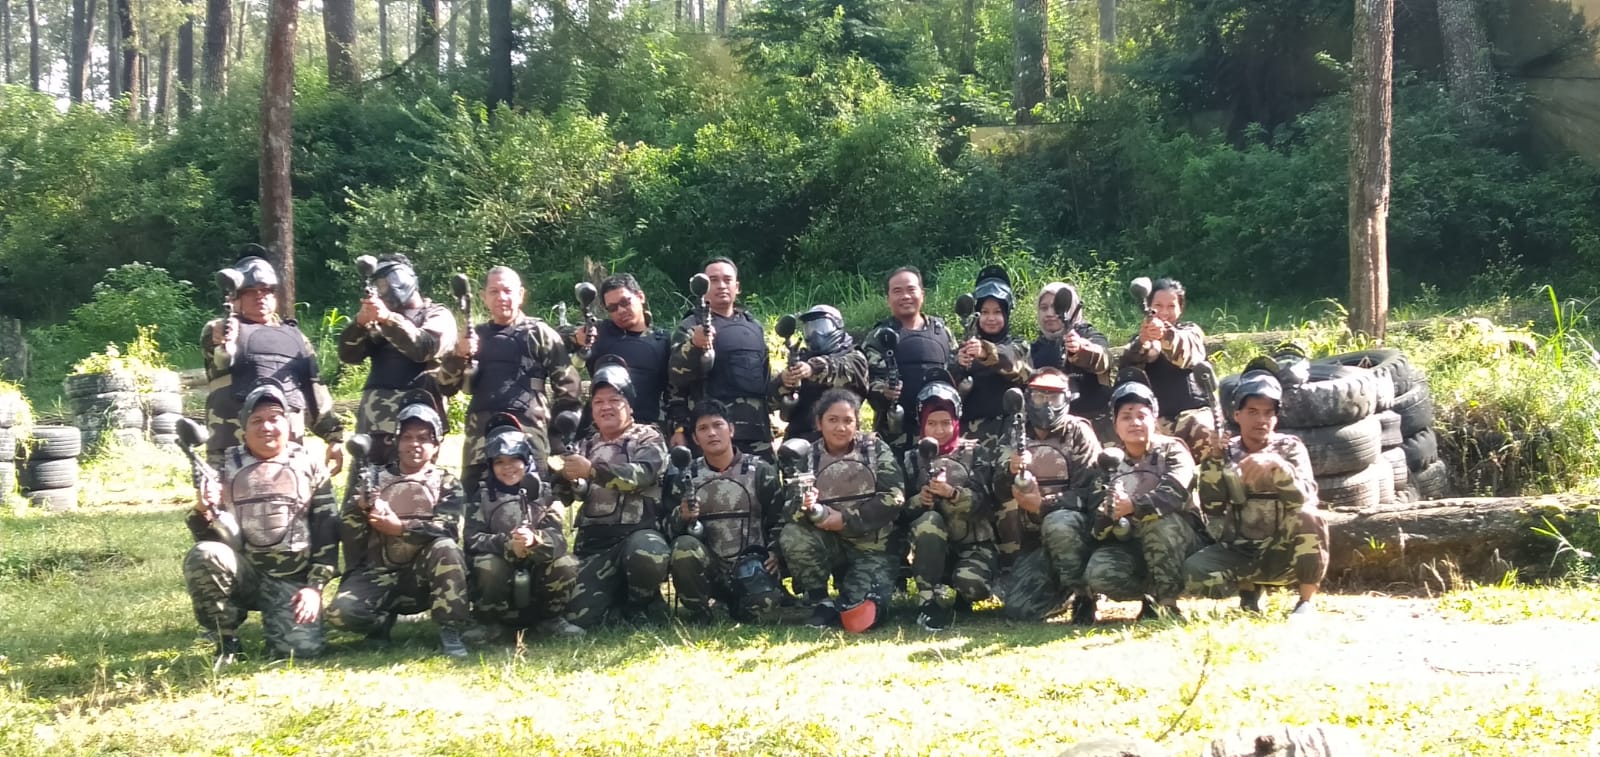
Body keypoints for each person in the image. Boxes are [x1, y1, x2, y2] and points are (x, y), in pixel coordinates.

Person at [182, 381, 338, 664]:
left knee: (301, 652)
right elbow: (203, 534)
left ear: (288, 424)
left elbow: (327, 529)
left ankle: (283, 619)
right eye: (257, 420)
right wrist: (204, 507)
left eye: (274, 418)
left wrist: (314, 588)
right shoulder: (223, 466)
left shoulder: (311, 465)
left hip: (292, 578)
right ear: (244, 427)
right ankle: (226, 639)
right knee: (204, 554)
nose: (266, 427)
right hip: (246, 575)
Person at [327, 396, 473, 658]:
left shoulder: (446, 482)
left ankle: (450, 629)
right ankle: (379, 622)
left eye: (423, 438)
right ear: (397, 441)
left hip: (423, 576)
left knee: (447, 548)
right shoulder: (375, 478)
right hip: (378, 571)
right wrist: (360, 509)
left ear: (436, 445)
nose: (414, 444)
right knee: (341, 613)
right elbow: (348, 533)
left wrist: (401, 528)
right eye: (407, 437)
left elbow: (448, 529)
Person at [1184, 363, 1328, 617]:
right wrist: (1214, 459)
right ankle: (1249, 592)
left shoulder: (1290, 448)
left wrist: (1277, 467)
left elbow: (1305, 497)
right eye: (1252, 411)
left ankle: (1306, 602)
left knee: (1310, 515)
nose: (1261, 420)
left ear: (1276, 418)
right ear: (1237, 415)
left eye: (1268, 413)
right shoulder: (1226, 451)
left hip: (1282, 551)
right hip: (1241, 549)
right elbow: (1212, 506)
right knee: (1194, 572)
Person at [439, 266, 582, 498]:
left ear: (521, 295)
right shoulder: (473, 337)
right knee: (477, 505)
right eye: (494, 291)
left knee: (532, 505)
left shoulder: (540, 334)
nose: (501, 297)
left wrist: (556, 436)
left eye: (507, 291)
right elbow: (445, 385)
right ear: (484, 297)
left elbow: (569, 388)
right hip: (479, 441)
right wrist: (459, 354)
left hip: (529, 437)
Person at [200, 252, 345, 471]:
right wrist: (224, 333)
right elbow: (215, 340)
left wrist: (334, 437)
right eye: (250, 292)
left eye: (266, 290)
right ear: (234, 298)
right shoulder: (222, 329)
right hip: (231, 447)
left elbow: (315, 391)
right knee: (223, 495)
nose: (259, 296)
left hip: (286, 448)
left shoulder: (296, 338)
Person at [556, 357, 672, 627]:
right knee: (577, 617)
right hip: (595, 545)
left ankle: (640, 605)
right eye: (598, 402)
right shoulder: (584, 446)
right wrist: (565, 478)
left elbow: (642, 475)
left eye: (614, 400)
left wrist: (592, 471)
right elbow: (565, 495)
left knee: (649, 551)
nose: (605, 406)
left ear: (629, 406)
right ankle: (615, 606)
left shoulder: (649, 438)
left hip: (636, 535)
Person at [778, 389, 906, 632]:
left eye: (848, 420)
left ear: (857, 423)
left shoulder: (875, 450)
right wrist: (806, 506)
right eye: (833, 420)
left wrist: (846, 519)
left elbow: (894, 497)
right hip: (829, 542)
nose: (841, 427)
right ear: (819, 423)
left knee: (862, 611)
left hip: (872, 547)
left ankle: (851, 594)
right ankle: (820, 601)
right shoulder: (808, 457)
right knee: (793, 535)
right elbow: (789, 511)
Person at [1079, 380, 1203, 623]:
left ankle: (1167, 604)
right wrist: (1108, 514)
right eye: (1126, 417)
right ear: (1115, 425)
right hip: (1132, 543)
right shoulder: (1108, 461)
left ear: (1154, 419)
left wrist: (1133, 506)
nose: (1134, 422)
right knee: (1100, 572)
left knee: (1160, 523)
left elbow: (1174, 492)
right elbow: (1096, 526)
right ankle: (1149, 595)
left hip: (1183, 541)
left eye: (1141, 416)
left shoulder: (1173, 450)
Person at [987, 369, 1104, 622]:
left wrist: (1044, 505)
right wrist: (1010, 469)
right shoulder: (1015, 432)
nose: (1046, 405)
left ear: (1067, 399)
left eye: (1054, 398)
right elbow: (996, 489)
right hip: (1034, 540)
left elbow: (1090, 492)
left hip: (1075, 532)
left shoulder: (1078, 432)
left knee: (1058, 522)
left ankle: (1085, 594)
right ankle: (1061, 590)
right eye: (1039, 397)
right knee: (1020, 610)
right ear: (1028, 398)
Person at [463, 415, 586, 642]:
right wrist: (508, 544)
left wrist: (534, 541)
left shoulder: (546, 494)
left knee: (566, 563)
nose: (507, 468)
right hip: (500, 571)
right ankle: (489, 623)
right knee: (487, 564)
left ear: (527, 460)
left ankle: (551, 620)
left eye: (514, 460)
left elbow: (558, 539)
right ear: (490, 465)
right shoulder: (481, 496)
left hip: (537, 570)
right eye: (499, 462)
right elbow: (472, 539)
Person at [665, 400, 786, 622]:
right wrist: (681, 517)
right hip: (709, 569)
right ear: (695, 438)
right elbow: (666, 529)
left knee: (763, 611)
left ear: (731, 429)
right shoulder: (686, 477)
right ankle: (699, 611)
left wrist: (775, 552)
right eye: (703, 428)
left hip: (751, 566)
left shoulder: (760, 471)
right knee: (684, 546)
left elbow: (779, 518)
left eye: (717, 425)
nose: (712, 433)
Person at [337, 254, 457, 465]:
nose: (382, 290)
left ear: (403, 279)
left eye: (385, 283)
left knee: (415, 482)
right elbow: (348, 355)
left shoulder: (437, 314)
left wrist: (388, 319)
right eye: (378, 285)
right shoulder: (378, 320)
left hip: (419, 423)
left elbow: (424, 348)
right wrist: (360, 323)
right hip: (374, 421)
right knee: (365, 482)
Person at [904, 373, 997, 631]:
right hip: (930, 548)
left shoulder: (976, 452)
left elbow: (984, 502)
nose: (939, 430)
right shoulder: (911, 459)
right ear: (922, 424)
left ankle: (962, 595)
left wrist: (952, 493)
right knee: (929, 520)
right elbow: (899, 510)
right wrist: (919, 500)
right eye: (932, 423)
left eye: (946, 423)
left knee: (973, 587)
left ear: (956, 421)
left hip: (973, 544)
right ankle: (927, 598)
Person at [668, 259, 775, 459]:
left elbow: (765, 378)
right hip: (711, 434)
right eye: (714, 280)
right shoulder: (690, 327)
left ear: (737, 287)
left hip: (756, 433)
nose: (722, 285)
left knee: (764, 478)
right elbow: (675, 381)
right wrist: (679, 428)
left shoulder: (754, 327)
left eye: (727, 280)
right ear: (703, 288)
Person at [861, 267, 959, 456]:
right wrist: (884, 392)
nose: (905, 296)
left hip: (940, 434)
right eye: (897, 291)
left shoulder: (943, 332)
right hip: (895, 436)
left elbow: (956, 375)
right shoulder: (878, 337)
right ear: (888, 299)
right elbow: (866, 383)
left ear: (922, 294)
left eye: (911, 289)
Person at [572, 273, 677, 436]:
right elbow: (556, 337)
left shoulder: (663, 341)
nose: (620, 310)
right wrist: (576, 338)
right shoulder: (599, 332)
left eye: (625, 302)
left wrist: (678, 429)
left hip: (645, 431)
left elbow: (675, 391)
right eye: (612, 308)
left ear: (640, 296)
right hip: (598, 432)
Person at [1118, 278, 1212, 453]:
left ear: (1180, 308)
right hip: (1157, 420)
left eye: (1171, 306)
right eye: (1158, 306)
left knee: (1207, 431)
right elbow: (1126, 370)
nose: (1164, 312)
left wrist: (1165, 336)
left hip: (1194, 415)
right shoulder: (1139, 339)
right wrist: (1143, 343)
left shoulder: (1191, 332)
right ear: (1149, 307)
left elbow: (1186, 354)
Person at [952, 266, 1032, 444]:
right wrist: (958, 366)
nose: (991, 318)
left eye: (997, 312)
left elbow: (1013, 363)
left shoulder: (1019, 346)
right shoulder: (963, 349)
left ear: (1007, 314)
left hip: (1009, 435)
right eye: (985, 312)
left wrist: (985, 352)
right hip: (968, 437)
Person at [770, 304, 868, 441]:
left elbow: (839, 368)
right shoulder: (802, 359)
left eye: (822, 327)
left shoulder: (854, 358)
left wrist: (812, 369)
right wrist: (785, 381)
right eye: (810, 329)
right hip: (801, 439)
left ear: (837, 326)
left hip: (841, 439)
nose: (816, 334)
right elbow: (770, 400)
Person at [1031, 281, 1114, 442]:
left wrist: (1080, 350)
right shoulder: (1036, 348)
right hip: (1052, 433)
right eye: (1044, 308)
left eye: (1056, 307)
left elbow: (1104, 359)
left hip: (1096, 428)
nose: (1049, 313)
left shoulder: (1091, 336)